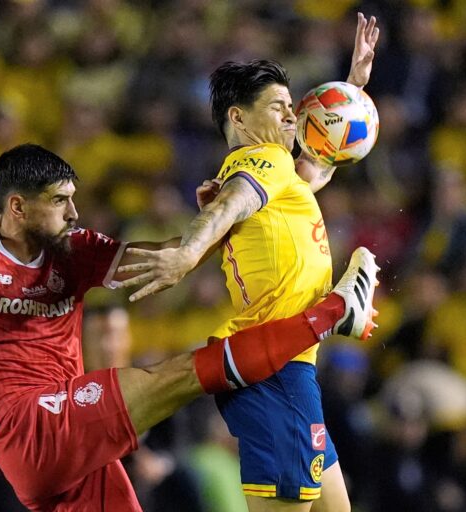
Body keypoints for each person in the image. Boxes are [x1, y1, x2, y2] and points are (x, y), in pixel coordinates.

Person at [0, 143, 380, 512]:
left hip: (73, 443)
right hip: (28, 427)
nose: (74, 213)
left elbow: (162, 261)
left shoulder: (73, 251)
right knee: (180, 374)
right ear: (18, 207)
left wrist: (214, 222)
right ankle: (334, 312)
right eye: (60, 202)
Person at [117, 13, 380, 512]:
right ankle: (341, 308)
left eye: (291, 106)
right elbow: (231, 203)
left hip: (291, 365)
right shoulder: (260, 162)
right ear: (238, 118)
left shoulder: (284, 175)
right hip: (276, 367)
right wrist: (188, 254)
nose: (290, 116)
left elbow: (317, 165)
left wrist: (353, 88)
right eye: (279, 107)